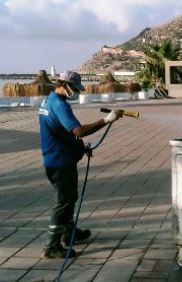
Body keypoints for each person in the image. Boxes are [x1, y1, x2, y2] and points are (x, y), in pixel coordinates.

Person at [38, 70, 124, 259]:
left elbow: (63, 132)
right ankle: (51, 246)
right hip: (60, 161)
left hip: (56, 157)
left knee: (70, 198)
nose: (76, 92)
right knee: (63, 203)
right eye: (75, 88)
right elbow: (79, 130)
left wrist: (79, 147)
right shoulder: (60, 105)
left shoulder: (48, 101)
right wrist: (107, 120)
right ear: (65, 85)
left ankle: (70, 234)